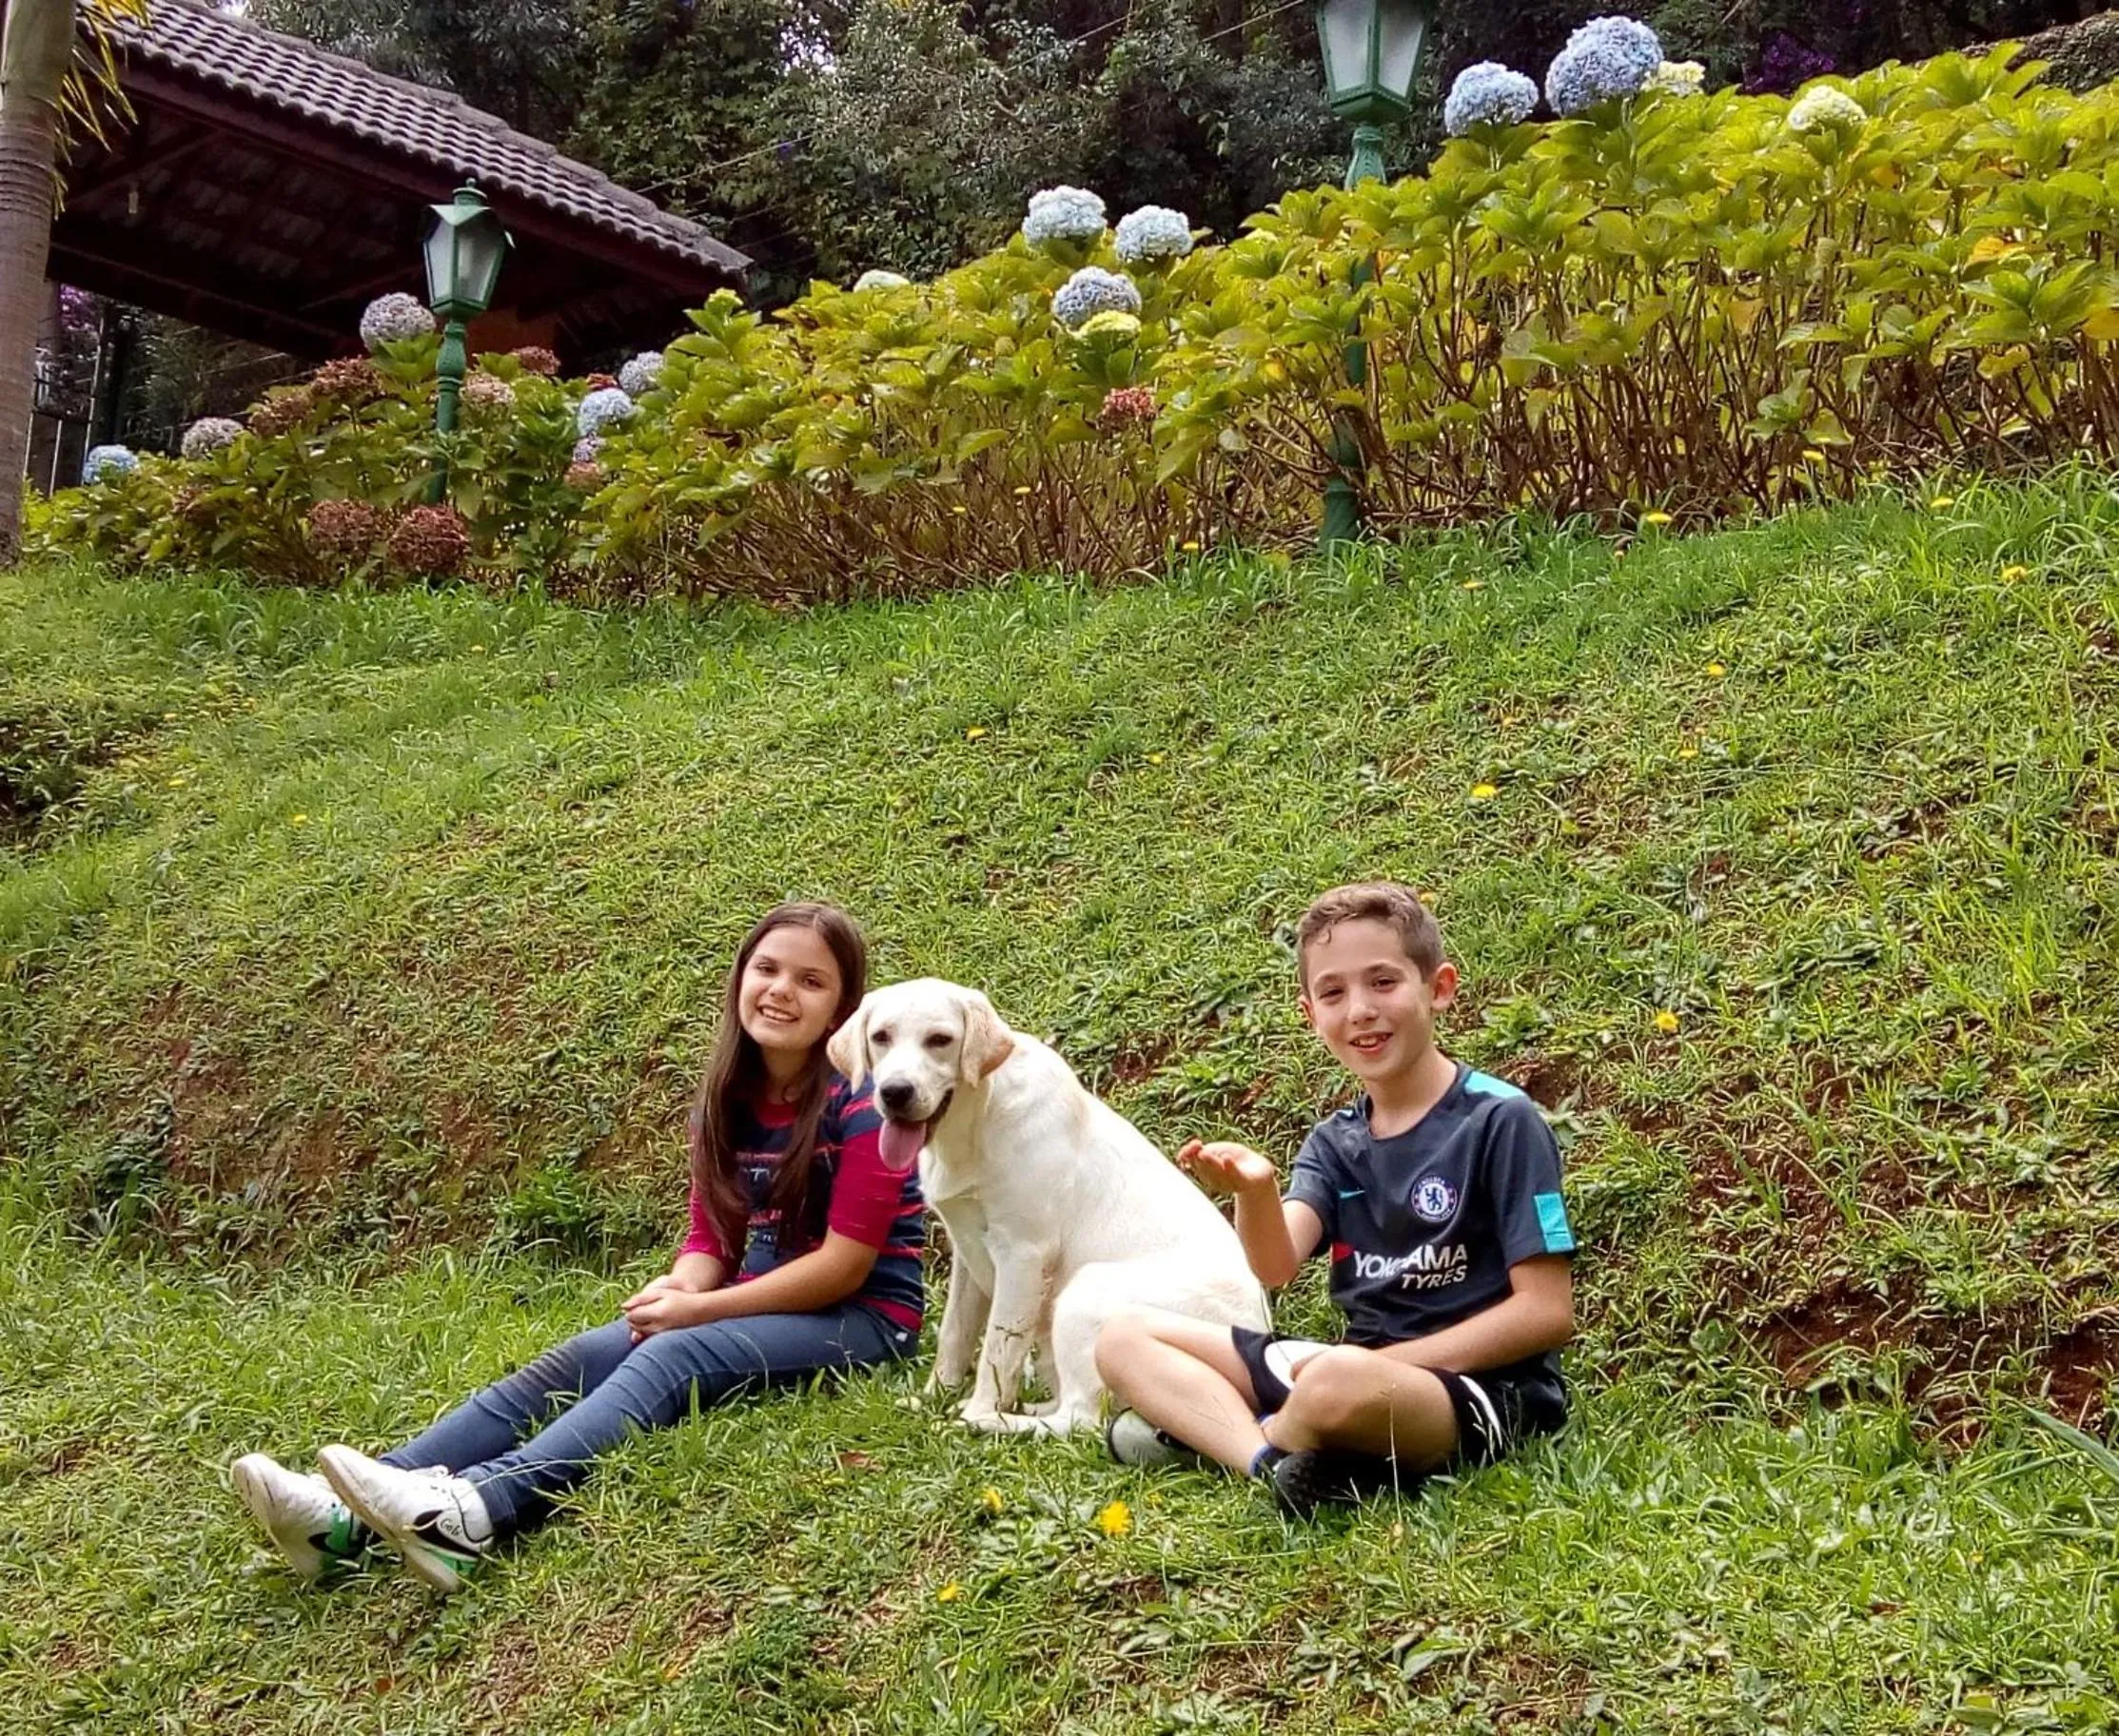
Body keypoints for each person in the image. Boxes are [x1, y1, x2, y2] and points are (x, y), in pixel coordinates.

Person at [230, 902, 923, 1591]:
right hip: (766, 1306)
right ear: (739, 976)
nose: (779, 990)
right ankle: (339, 1522)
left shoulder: (864, 1099)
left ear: (842, 1009)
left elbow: (844, 1266)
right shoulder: (726, 1099)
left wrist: (699, 1313)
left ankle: (475, 1509)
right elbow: (712, 1235)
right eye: (766, 968)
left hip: (862, 1319)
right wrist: (684, 1286)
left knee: (676, 1351)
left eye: (810, 980)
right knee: (582, 1355)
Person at [1094, 882, 1576, 1517]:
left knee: (1332, 1384)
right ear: (1309, 1013)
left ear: (1439, 987)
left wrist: (1376, 1365)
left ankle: (1238, 1432)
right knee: (1121, 1338)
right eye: (1333, 993)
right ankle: (1275, 1464)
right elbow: (1275, 1264)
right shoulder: (1334, 1140)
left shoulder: (1499, 1119)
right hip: (1348, 1370)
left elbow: (1546, 1314)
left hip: (1473, 1389)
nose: (1359, 1010)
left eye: (1383, 982)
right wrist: (1255, 1191)